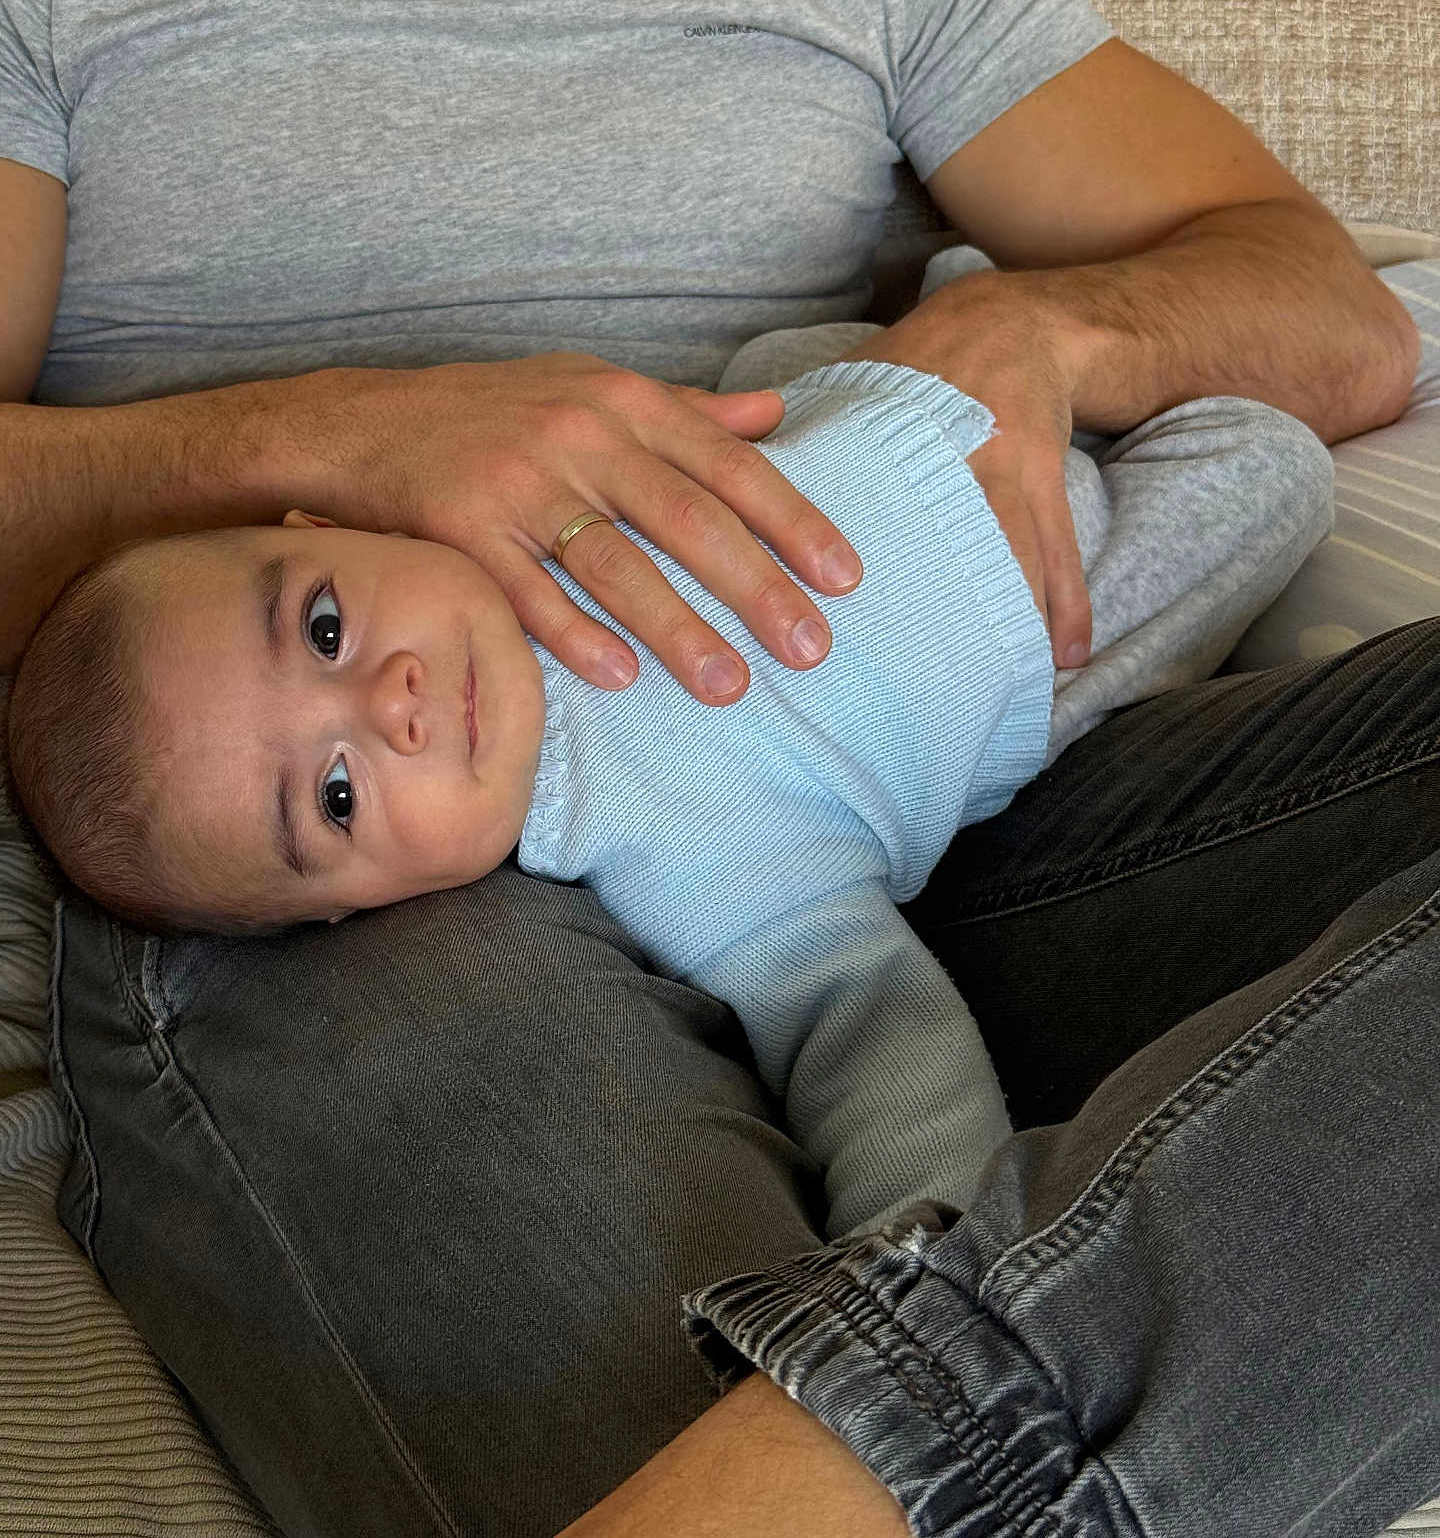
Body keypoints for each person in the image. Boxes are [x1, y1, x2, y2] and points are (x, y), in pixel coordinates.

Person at [1, 0, 1434, 1531]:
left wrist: (1055, 330)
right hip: (360, 875)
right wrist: (338, 437)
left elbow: (1333, 311)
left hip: (981, 760)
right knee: (656, 1402)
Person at [8, 362, 1333, 1241]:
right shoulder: (670, 857)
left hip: (883, 386)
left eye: (324, 627)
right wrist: (921, 1247)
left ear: (324, 522)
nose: (391, 702)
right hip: (1049, 608)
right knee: (1271, 468)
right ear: (357, 913)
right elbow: (865, 1018)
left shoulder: (508, 487)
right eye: (339, 796)